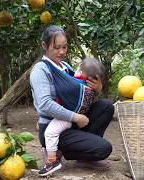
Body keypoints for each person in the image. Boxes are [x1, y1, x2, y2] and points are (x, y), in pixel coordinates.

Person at [30, 25, 114, 176]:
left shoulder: (65, 67)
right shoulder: (40, 70)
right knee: (104, 148)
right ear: (44, 45)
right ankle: (54, 152)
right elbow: (44, 105)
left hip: (70, 124)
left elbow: (79, 96)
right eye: (56, 47)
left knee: (106, 106)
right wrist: (75, 117)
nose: (62, 52)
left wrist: (97, 89)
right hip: (53, 127)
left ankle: (84, 158)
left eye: (64, 47)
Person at [38, 58, 105, 176]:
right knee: (50, 131)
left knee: (50, 133)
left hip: (65, 118)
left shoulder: (73, 82)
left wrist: (98, 89)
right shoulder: (86, 87)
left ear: (79, 73)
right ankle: (64, 151)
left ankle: (52, 160)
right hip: (73, 117)